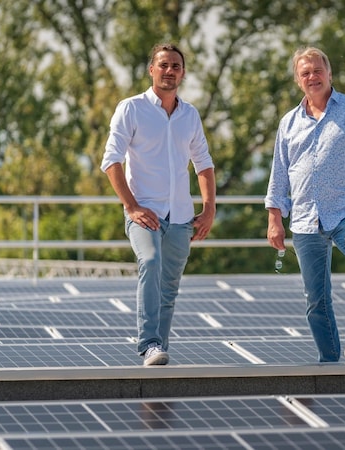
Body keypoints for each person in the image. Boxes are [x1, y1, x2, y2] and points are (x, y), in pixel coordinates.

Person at [265, 46, 345, 363]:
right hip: (305, 219)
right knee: (315, 298)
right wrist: (274, 218)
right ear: (298, 80)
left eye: (317, 70)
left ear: (329, 74)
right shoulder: (289, 122)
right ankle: (329, 361)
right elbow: (279, 173)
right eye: (305, 72)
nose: (312, 77)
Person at [101, 43, 216, 366]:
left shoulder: (190, 115)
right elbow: (111, 162)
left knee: (169, 286)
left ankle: (159, 348)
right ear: (151, 70)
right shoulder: (131, 109)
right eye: (163, 65)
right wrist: (132, 207)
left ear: (182, 72)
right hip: (144, 215)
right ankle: (149, 343)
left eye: (176, 66)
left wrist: (209, 209)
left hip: (180, 216)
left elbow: (203, 164)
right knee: (150, 263)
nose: (170, 71)